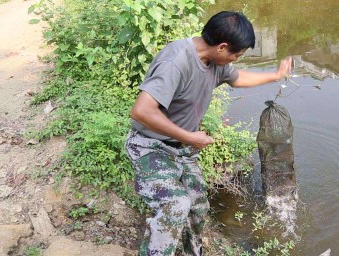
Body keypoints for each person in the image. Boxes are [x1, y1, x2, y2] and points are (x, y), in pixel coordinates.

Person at [125, 11, 292, 256]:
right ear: (222, 47)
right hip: (150, 146)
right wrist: (190, 136)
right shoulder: (176, 62)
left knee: (197, 207)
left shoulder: (214, 60)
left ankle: (193, 252)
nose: (236, 60)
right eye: (236, 54)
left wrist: (275, 76)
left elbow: (237, 78)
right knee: (175, 204)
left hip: (182, 150)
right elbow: (141, 110)